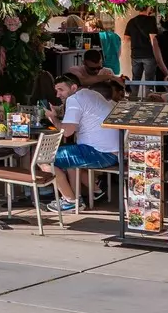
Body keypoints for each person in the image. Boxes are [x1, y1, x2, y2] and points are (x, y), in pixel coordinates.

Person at [42, 74, 120, 214]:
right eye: (56, 90)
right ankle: (78, 198)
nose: (58, 94)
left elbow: (67, 132)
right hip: (111, 152)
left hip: (99, 153)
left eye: (61, 89)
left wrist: (52, 118)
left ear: (73, 87)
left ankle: (69, 201)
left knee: (43, 158)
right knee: (69, 154)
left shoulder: (75, 99)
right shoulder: (90, 94)